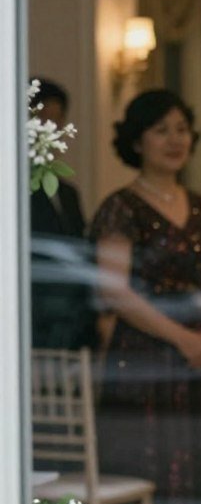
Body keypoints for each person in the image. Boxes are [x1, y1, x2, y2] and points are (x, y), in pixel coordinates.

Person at [89, 90, 201, 504]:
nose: (175, 140)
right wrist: (181, 337)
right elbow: (115, 291)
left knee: (199, 465)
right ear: (137, 140)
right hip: (145, 353)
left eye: (182, 129)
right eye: (161, 130)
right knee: (148, 463)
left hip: (199, 354)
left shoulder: (199, 206)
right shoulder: (121, 206)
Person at [29, 78, 96, 350]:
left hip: (73, 325)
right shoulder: (10, 189)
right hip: (35, 321)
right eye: (42, 121)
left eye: (57, 122)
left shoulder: (68, 193)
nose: (50, 131)